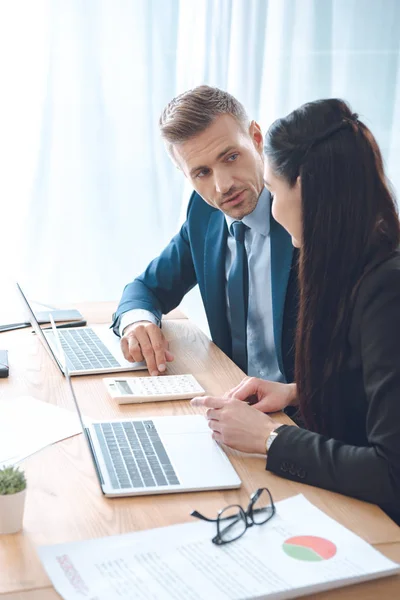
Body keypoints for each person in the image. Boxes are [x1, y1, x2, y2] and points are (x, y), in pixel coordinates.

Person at [192, 98, 400, 525]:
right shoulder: (353, 259)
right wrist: (295, 393)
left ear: (301, 187)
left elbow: (392, 471)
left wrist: (270, 440)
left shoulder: (387, 287)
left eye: (273, 187)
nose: (270, 206)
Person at [113, 86, 298, 383]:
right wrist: (138, 323)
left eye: (231, 157)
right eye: (202, 173)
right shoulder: (204, 214)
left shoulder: (302, 212)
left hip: (303, 414)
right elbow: (146, 288)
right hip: (230, 398)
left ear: (256, 138)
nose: (223, 185)